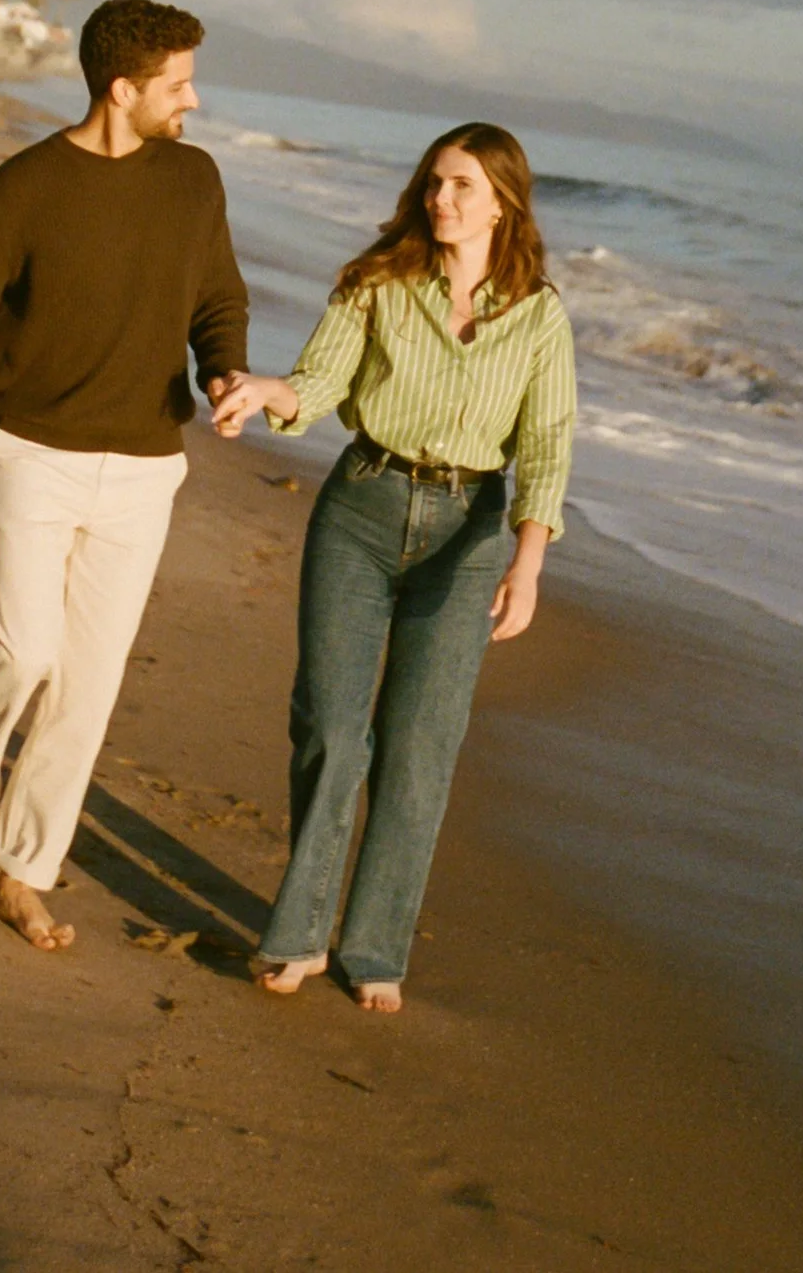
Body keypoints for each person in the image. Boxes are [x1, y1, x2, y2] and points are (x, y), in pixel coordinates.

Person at [0, 0, 249, 950]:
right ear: (122, 90)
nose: (193, 101)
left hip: (146, 469)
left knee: (87, 685)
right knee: (23, 651)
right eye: (178, 84)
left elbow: (216, 295)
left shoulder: (194, 182)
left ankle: (24, 871)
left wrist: (225, 372)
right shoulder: (23, 188)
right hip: (36, 452)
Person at [209, 121, 575, 1013]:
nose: (439, 199)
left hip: (468, 532)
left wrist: (526, 561)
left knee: (418, 749)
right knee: (332, 729)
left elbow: (547, 442)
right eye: (433, 183)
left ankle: (372, 945)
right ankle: (297, 933)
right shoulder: (377, 282)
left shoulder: (538, 314)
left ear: (503, 202)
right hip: (361, 512)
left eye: (460, 186)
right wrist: (263, 393)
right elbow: (319, 382)